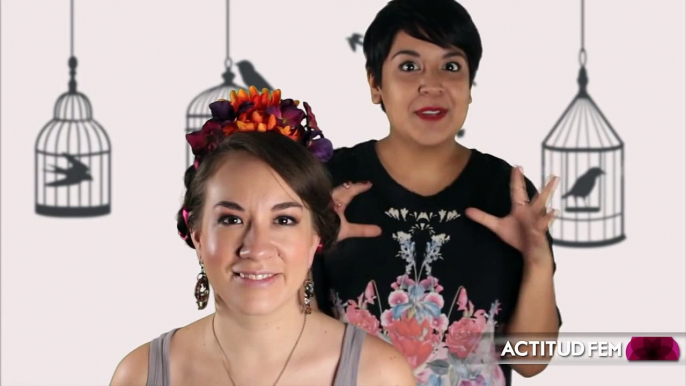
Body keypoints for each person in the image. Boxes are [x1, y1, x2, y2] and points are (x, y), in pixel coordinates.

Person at [311, 0, 563, 385]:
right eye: (409, 66)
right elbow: (290, 342)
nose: (432, 84)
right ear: (375, 84)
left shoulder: (506, 194)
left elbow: (530, 362)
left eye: (451, 66)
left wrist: (538, 262)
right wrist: (303, 245)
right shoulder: (329, 183)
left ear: (470, 85)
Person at [110, 88, 416, 386]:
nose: (256, 248)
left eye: (283, 220)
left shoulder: (378, 375)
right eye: (231, 219)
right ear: (198, 235)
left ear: (315, 236)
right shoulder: (140, 375)